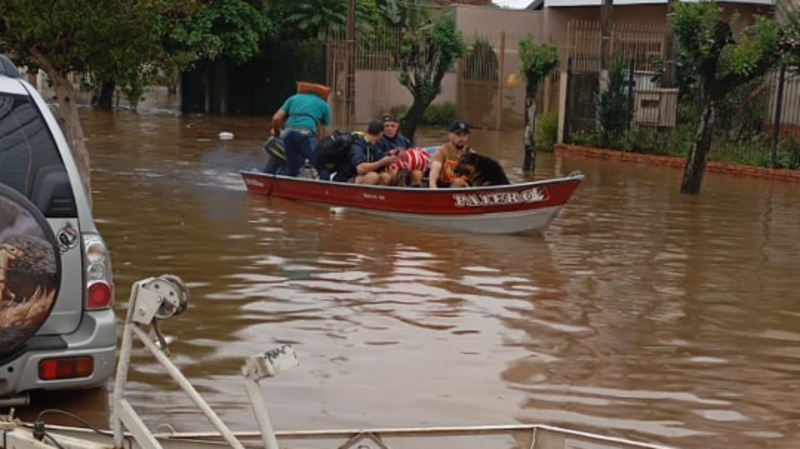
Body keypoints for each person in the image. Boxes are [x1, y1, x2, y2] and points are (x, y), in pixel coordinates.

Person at [271, 85, 331, 177]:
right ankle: (328, 186)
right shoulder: (323, 104)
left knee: (292, 167)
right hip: (305, 134)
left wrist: (276, 131)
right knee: (320, 164)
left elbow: (276, 119)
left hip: (287, 133)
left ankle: (290, 184)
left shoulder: (293, 99)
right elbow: (325, 133)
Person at [331, 121, 397, 185]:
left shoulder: (373, 146)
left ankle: (379, 196)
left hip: (361, 176)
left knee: (386, 177)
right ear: (381, 134)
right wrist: (381, 162)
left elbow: (380, 156)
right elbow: (360, 168)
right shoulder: (357, 145)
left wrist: (390, 155)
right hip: (347, 178)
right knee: (372, 177)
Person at [428, 121, 474, 188]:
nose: (462, 139)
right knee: (458, 183)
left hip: (465, 188)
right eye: (458, 135)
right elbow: (434, 173)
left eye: (464, 135)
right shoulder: (442, 152)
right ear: (450, 135)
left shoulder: (471, 154)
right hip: (445, 187)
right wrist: (433, 189)